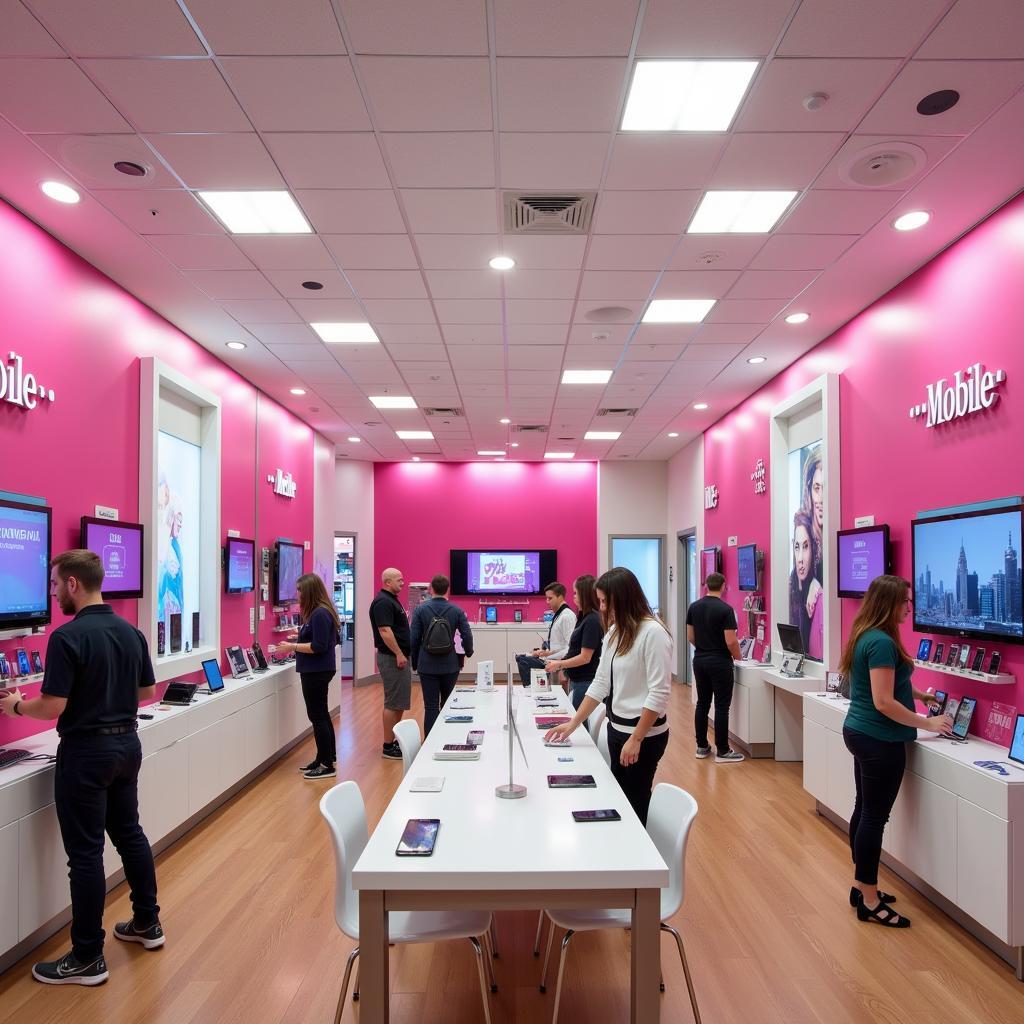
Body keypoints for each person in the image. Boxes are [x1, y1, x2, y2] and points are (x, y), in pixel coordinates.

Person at [0, 550, 162, 986]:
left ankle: (88, 956)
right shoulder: (132, 632)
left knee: (85, 854)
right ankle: (148, 922)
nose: (53, 595)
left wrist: (16, 705)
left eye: (55, 586)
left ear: (73, 583)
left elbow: (53, 705)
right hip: (127, 745)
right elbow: (146, 689)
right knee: (130, 834)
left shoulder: (66, 637)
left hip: (86, 754)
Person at [840, 574, 952, 928]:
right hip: (879, 740)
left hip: (858, 731)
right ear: (890, 603)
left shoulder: (866, 635)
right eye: (906, 601)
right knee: (874, 818)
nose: (910, 607)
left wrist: (920, 696)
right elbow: (884, 701)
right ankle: (870, 900)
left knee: (864, 810)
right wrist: (927, 722)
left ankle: (861, 885)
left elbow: (887, 684)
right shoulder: (883, 642)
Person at [544, 567, 670, 826]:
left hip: (643, 736)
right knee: (619, 798)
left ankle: (638, 858)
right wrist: (573, 723)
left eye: (604, 601)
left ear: (622, 598)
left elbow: (658, 693)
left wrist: (636, 738)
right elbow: (601, 683)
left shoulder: (653, 633)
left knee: (634, 800)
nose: (600, 607)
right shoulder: (615, 632)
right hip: (617, 729)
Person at [276, 573, 341, 780]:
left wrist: (291, 646)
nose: (297, 593)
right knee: (321, 714)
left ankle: (326, 765)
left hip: (316, 671)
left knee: (317, 716)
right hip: (318, 670)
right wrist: (301, 636)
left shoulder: (320, 614)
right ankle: (325, 756)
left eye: (300, 589)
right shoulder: (319, 612)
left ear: (309, 591)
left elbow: (319, 646)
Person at [687, 571, 744, 764]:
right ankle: (723, 750)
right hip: (720, 662)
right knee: (721, 706)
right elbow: (731, 641)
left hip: (700, 660)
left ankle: (702, 747)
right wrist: (739, 657)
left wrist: (704, 648)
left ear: (706, 586)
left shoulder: (693, 607)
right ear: (723, 586)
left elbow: (690, 636)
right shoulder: (726, 610)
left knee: (702, 704)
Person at [410, 574, 474, 735]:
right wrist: (468, 652)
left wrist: (416, 662)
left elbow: (414, 638)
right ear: (448, 590)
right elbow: (467, 634)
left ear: (431, 589)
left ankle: (429, 744)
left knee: (430, 706)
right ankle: (447, 738)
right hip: (450, 664)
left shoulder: (420, 609)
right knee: (447, 704)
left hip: (427, 664)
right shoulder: (457, 610)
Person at [369, 567, 411, 760]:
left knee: (399, 701)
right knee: (393, 701)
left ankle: (393, 740)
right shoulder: (382, 603)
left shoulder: (391, 600)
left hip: (398, 657)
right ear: (387, 582)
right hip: (392, 658)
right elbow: (385, 631)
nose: (402, 583)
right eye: (399, 580)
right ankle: (388, 745)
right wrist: (399, 653)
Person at [543, 574, 602, 710]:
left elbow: (585, 657)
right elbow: (573, 649)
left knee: (580, 724)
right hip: (577, 679)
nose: (573, 596)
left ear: (585, 594)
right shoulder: (583, 617)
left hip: (585, 681)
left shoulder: (592, 620)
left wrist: (560, 664)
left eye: (576, 593)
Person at [515, 582, 575, 686]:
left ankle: (529, 689)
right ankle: (531, 689)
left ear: (560, 597)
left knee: (522, 660)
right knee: (521, 657)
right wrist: (547, 652)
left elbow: (570, 648)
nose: (547, 602)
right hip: (552, 658)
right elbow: (560, 644)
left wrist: (556, 661)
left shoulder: (567, 616)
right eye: (546, 598)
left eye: (550, 598)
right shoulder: (558, 615)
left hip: (557, 662)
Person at [789, 509, 824, 659]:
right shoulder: (791, 584)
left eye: (805, 546)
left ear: (813, 548)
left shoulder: (819, 590)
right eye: (797, 547)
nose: (800, 558)